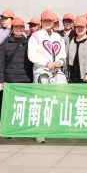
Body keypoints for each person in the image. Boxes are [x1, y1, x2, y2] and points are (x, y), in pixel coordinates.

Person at [27, 10, 68, 143]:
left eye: (50, 21)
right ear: (41, 22)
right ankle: (40, 132)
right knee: (41, 101)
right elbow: (32, 55)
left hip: (56, 73)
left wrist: (59, 62)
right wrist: (47, 63)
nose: (48, 23)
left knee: (57, 100)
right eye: (45, 21)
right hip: (41, 72)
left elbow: (63, 55)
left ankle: (55, 128)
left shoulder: (58, 37)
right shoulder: (35, 36)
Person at [0, 17, 33, 84]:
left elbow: (32, 63)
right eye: (16, 26)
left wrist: (32, 79)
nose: (18, 29)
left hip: (26, 80)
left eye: (21, 27)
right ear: (12, 28)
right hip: (9, 81)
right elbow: (1, 64)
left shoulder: (28, 43)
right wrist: (1, 81)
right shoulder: (6, 43)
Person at [68, 16, 87, 83]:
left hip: (85, 77)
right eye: (77, 26)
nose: (80, 29)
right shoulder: (71, 40)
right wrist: (67, 75)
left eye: (82, 26)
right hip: (72, 77)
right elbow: (67, 58)